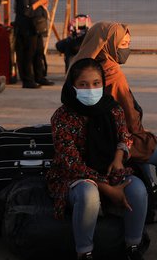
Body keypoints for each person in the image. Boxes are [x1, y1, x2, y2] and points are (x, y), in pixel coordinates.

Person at [71, 21, 157, 227]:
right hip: (111, 143)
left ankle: (151, 190)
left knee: (143, 147)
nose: (127, 49)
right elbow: (129, 118)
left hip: (88, 139)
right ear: (109, 45)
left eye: (128, 43)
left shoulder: (80, 66)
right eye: (123, 44)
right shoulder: (112, 73)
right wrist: (141, 133)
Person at [46, 58, 147, 260]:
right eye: (83, 84)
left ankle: (133, 246)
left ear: (103, 83)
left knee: (137, 190)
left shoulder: (112, 109)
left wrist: (119, 158)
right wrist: (108, 190)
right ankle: (84, 251)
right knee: (88, 194)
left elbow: (125, 137)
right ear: (72, 87)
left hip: (109, 170)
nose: (90, 89)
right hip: (72, 176)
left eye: (95, 83)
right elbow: (71, 162)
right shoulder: (62, 116)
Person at [13, 0, 54, 88]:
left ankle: (39, 77)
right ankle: (27, 80)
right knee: (27, 53)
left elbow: (35, 7)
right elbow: (26, 10)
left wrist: (42, 4)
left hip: (36, 28)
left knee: (38, 52)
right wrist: (39, 3)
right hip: (27, 28)